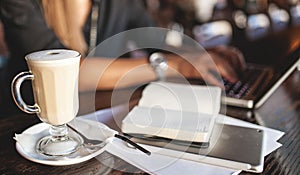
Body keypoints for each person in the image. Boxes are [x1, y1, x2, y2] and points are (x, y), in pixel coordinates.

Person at [0, 0, 246, 117]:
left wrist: (199, 52)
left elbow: (156, 37)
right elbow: (65, 74)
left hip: (97, 122)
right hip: (27, 125)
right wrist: (172, 65)